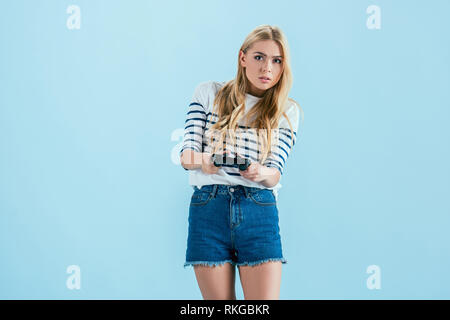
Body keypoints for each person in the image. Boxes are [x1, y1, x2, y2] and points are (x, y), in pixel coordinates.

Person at [179, 24, 303, 300]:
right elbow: (186, 156)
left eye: (276, 61)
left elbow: (275, 173)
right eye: (259, 57)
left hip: (257, 207)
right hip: (208, 208)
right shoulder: (208, 93)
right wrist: (206, 160)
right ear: (242, 58)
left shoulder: (287, 111)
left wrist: (260, 172)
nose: (267, 68)